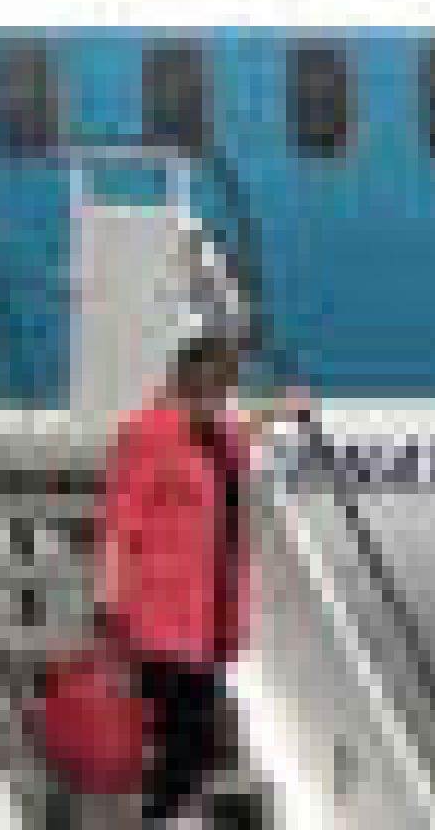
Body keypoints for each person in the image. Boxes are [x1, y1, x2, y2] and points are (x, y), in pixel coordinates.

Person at [96, 276, 269, 826]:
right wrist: (108, 606)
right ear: (187, 379)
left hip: (208, 618)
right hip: (162, 615)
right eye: (216, 382)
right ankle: (162, 821)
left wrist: (283, 409)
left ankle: (169, 818)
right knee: (185, 740)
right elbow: (119, 523)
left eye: (227, 384)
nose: (223, 394)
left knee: (195, 742)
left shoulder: (217, 438)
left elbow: (242, 439)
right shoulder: (150, 434)